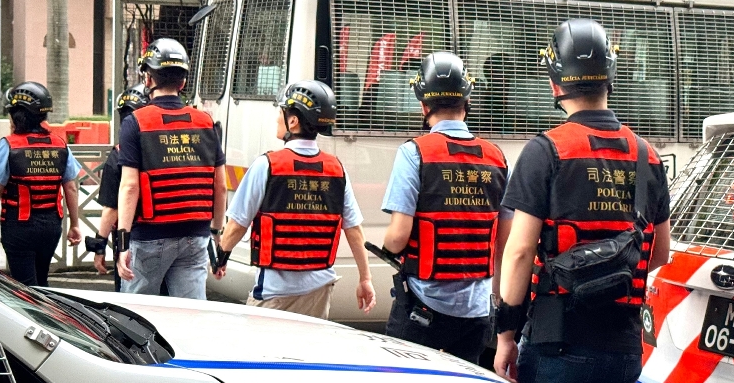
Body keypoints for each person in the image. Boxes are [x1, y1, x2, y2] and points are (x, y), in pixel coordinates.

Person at [493, 18, 671, 383]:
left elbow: (518, 252)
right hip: (620, 344)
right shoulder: (647, 155)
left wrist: (505, 336)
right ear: (609, 78)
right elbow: (658, 253)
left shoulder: (545, 151)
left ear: (555, 83)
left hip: (555, 342)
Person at [379, 52, 509, 364]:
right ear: (467, 101)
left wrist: (388, 248)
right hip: (477, 312)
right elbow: (503, 242)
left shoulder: (414, 153)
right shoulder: (496, 157)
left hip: (424, 308)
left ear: (424, 105)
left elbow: (397, 237)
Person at [213, 80, 377, 318]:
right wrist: (365, 278)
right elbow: (354, 230)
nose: (277, 118)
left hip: (275, 295)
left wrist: (221, 257)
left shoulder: (267, 166)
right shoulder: (336, 169)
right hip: (320, 291)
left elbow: (237, 225)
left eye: (281, 112)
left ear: (293, 121)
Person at [116, 38, 226, 298]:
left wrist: (122, 243)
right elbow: (220, 186)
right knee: (191, 314)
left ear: (148, 79)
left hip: (149, 236)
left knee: (137, 313)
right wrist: (215, 233)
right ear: (183, 82)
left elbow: (130, 186)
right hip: (195, 237)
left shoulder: (135, 123)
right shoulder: (205, 122)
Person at [0, 82, 82, 286]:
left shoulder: (9, 145)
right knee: (41, 282)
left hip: (19, 227)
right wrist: (75, 224)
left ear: (17, 115)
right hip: (51, 226)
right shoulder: (60, 144)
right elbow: (71, 187)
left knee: (24, 287)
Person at [88, 84, 148, 288]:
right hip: (173, 234)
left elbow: (112, 209)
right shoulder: (164, 147)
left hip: (133, 238)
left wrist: (100, 246)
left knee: (132, 297)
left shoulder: (119, 155)